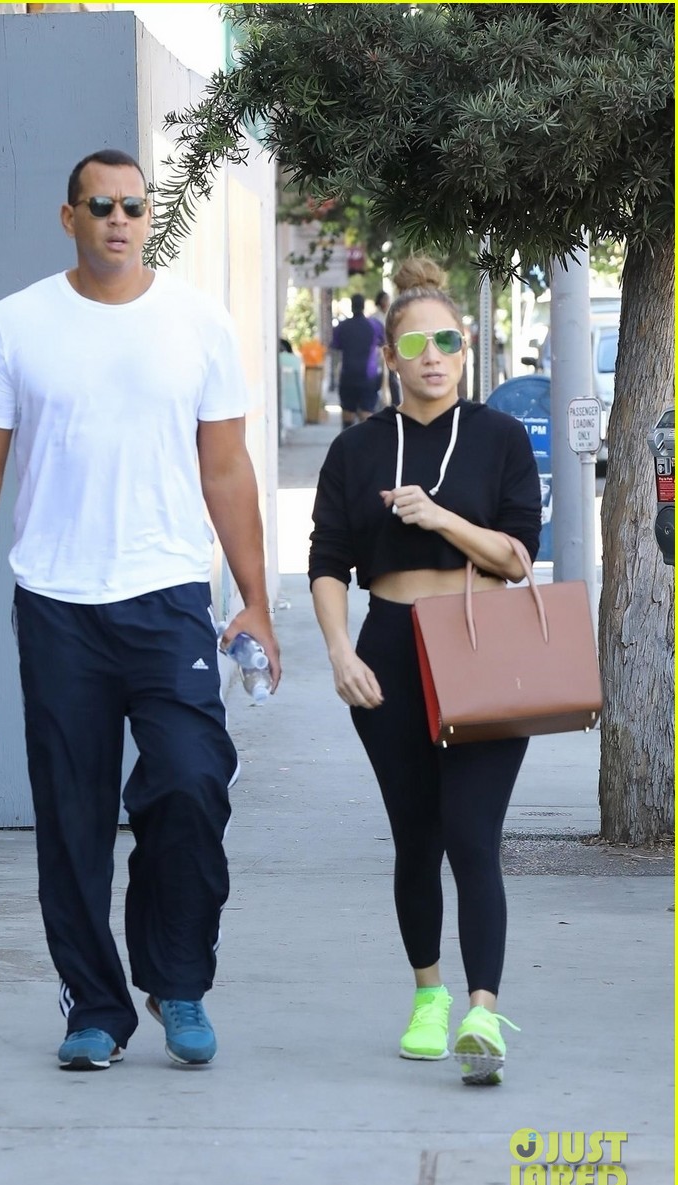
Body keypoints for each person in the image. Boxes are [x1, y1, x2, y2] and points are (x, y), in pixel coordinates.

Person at [0, 148, 281, 1072]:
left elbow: (226, 468)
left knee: (192, 779)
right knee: (72, 814)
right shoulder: (17, 324)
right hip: (57, 602)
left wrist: (255, 599)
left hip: (169, 597)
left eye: (133, 205)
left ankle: (177, 979)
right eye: (100, 205)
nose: (119, 219)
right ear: (69, 217)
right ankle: (93, 1005)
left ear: (148, 216)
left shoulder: (199, 323)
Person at [308, 257, 541, 1086]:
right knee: (417, 837)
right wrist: (340, 650)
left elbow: (518, 556)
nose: (433, 356)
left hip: (482, 646)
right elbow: (328, 561)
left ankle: (482, 1012)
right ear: (391, 357)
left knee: (473, 835)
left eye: (447, 341)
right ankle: (429, 996)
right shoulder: (357, 448)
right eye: (415, 344)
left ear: (465, 347)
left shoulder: (499, 437)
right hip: (389, 648)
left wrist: (439, 517)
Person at [331, 293, 384, 429]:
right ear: (363, 306)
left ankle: (347, 440)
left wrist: (335, 374)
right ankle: (366, 441)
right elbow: (384, 345)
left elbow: (335, 349)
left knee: (347, 414)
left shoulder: (342, 327)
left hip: (348, 375)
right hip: (369, 376)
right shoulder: (374, 325)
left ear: (352, 306)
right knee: (367, 414)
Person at [372, 289, 401, 408]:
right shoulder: (375, 318)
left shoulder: (392, 316)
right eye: (385, 300)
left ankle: (396, 405)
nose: (387, 303)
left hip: (390, 352)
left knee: (393, 381)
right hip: (379, 354)